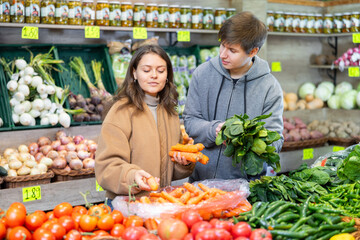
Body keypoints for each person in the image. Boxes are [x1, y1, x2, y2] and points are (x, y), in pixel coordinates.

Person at [183, 11, 284, 182]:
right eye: (222, 45)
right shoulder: (202, 74)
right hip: (201, 184)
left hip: (246, 190)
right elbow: (190, 120)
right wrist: (214, 130)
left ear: (253, 51)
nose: (222, 54)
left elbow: (275, 139)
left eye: (232, 50)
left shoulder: (270, 87)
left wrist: (247, 140)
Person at [95, 45, 194, 207]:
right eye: (146, 70)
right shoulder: (121, 111)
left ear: (168, 74)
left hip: (158, 203)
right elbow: (106, 167)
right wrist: (132, 176)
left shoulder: (170, 113)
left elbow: (168, 170)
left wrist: (183, 163)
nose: (154, 76)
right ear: (134, 73)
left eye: (161, 71)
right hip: (127, 205)